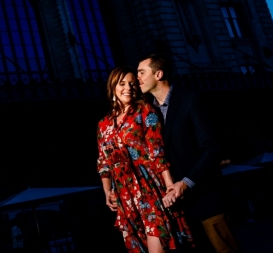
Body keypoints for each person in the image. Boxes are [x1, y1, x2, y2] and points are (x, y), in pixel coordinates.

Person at [137, 53, 240, 253]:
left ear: (158, 74)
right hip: (180, 211)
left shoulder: (191, 100)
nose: (138, 78)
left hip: (207, 201)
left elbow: (212, 149)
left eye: (142, 72)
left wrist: (186, 183)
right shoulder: (150, 114)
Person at [97, 66, 194, 253]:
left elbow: (157, 151)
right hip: (124, 196)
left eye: (133, 84)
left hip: (148, 190)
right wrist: (107, 191)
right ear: (113, 87)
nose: (129, 88)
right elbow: (103, 161)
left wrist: (169, 187)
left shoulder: (145, 111)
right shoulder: (104, 124)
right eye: (122, 83)